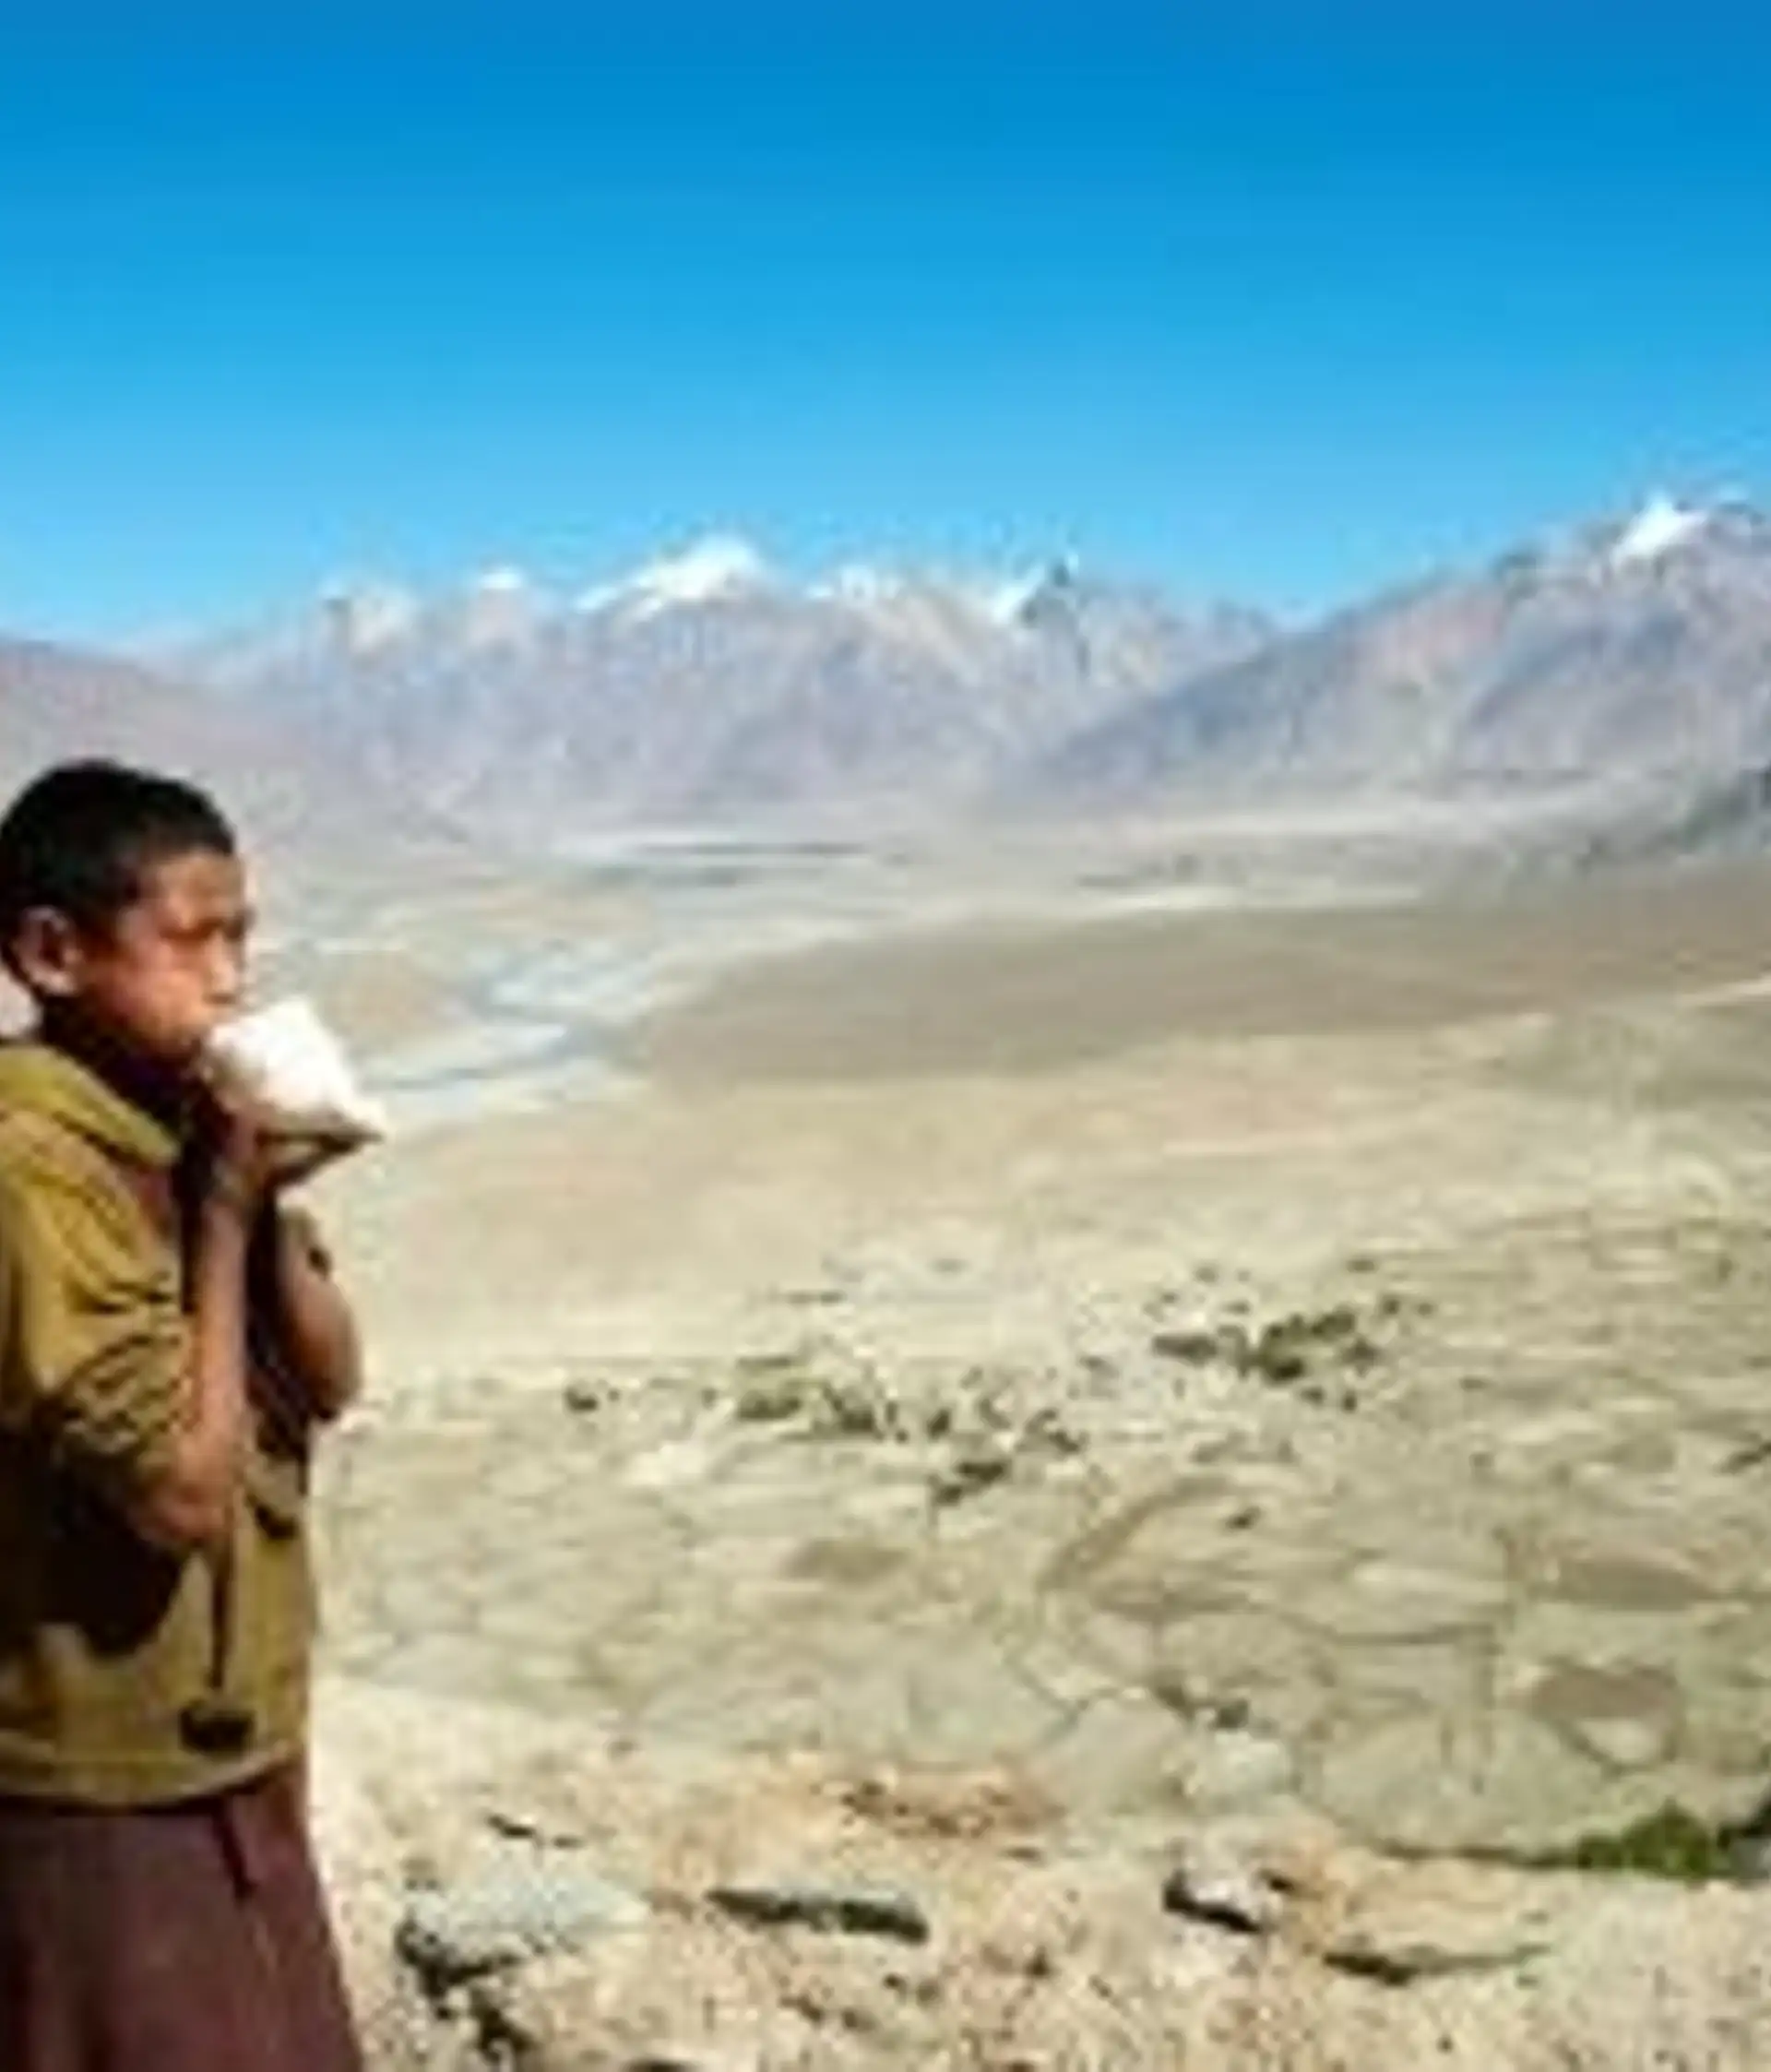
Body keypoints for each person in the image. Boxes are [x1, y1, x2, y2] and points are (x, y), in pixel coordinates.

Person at [0, 759, 366, 2071]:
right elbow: (179, 1493)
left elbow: (328, 1376)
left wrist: (259, 1206)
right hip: (103, 1773)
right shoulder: (31, 1169)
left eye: (243, 937)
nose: (229, 979)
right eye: (191, 938)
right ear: (51, 951)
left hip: (229, 1739)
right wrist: (217, 1217)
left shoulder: (180, 1118)